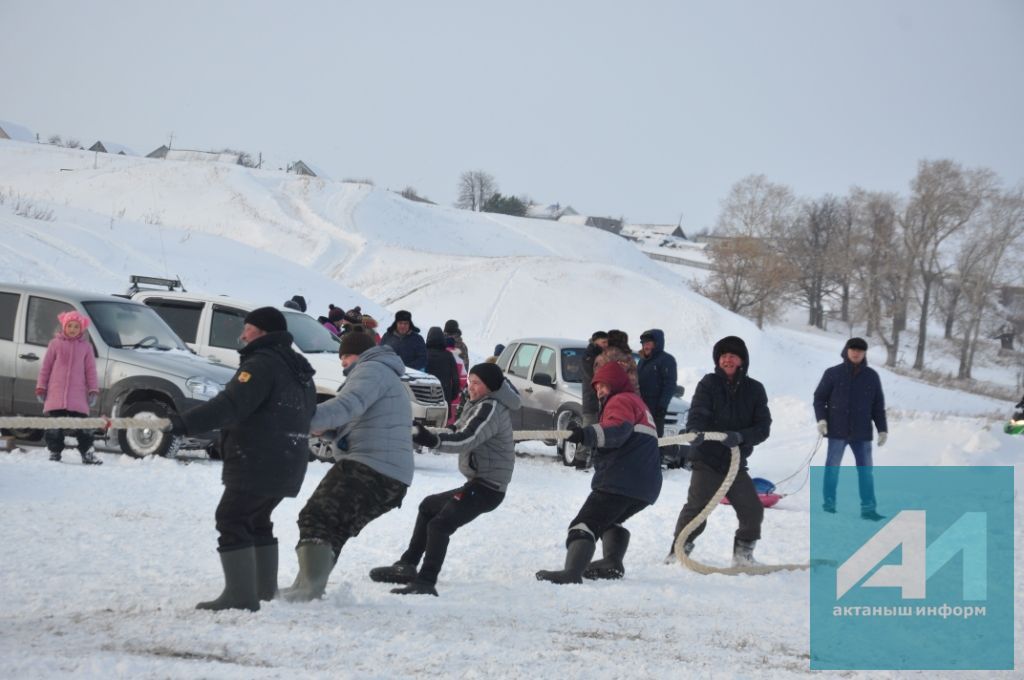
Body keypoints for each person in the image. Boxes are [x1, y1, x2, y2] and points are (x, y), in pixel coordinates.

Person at [170, 306, 317, 611]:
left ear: (261, 331)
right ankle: (262, 591)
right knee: (257, 519)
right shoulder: (298, 368)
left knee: (232, 517)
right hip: (289, 459)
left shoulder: (262, 364)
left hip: (259, 458)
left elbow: (230, 404)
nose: (242, 334)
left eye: (247, 328)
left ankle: (240, 596)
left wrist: (182, 423)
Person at [281, 331, 414, 602]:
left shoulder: (371, 370)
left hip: (372, 467)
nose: (342, 363)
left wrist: (303, 419)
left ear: (359, 354)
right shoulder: (383, 373)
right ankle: (306, 586)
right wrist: (326, 431)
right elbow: (353, 422)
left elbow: (347, 405)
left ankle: (308, 589)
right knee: (334, 527)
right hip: (392, 477)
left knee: (316, 515)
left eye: (345, 356)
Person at [369, 363, 521, 596]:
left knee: (440, 525)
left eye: (477, 383)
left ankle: (425, 582)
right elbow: (454, 430)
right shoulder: (478, 404)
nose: (471, 386)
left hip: (488, 488)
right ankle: (407, 565)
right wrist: (424, 433)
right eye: (470, 381)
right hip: (478, 484)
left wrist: (431, 441)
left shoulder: (491, 408)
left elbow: (465, 439)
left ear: (490, 386)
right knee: (429, 506)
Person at [536, 360, 662, 584]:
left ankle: (571, 573)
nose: (600, 390)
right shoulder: (638, 403)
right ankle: (612, 563)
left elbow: (617, 430)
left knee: (585, 524)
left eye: (604, 385)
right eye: (596, 387)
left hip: (620, 480)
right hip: (646, 486)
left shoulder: (620, 400)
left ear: (616, 383)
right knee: (609, 520)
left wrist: (586, 434)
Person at [670, 336, 771, 566]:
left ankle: (743, 553)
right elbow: (698, 411)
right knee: (697, 508)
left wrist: (741, 436)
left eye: (732, 355)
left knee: (752, 510)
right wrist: (695, 429)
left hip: (735, 462)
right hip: (707, 458)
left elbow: (763, 428)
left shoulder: (755, 390)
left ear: (742, 360)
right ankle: (678, 549)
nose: (727, 359)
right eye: (723, 355)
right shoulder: (709, 383)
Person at [813, 337, 888, 521]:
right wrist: (821, 420)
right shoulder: (832, 373)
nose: (856, 353)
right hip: (837, 431)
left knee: (866, 472)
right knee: (832, 469)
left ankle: (868, 509)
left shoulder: (871, 376)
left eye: (860, 351)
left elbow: (878, 405)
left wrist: (882, 429)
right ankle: (829, 505)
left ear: (864, 354)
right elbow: (819, 398)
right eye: (853, 349)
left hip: (862, 433)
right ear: (846, 350)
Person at [36, 310, 102, 465]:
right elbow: (46, 368)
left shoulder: (86, 347)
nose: (72, 329)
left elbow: (90, 370)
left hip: (77, 395)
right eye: (70, 326)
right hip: (56, 393)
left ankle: (87, 453)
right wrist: (41, 387)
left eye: (76, 327)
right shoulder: (55, 344)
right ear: (64, 326)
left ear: (82, 329)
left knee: (84, 427)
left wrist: (93, 390)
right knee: (54, 426)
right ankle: (54, 451)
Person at [637, 329, 678, 462]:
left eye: (649, 343)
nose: (646, 346)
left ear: (657, 343)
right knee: (639, 435)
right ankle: (639, 461)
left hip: (656, 408)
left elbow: (670, 385)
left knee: (654, 438)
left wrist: (662, 405)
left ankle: (655, 463)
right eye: (644, 343)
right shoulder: (642, 361)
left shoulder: (667, 360)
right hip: (640, 406)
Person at [573, 331, 608, 469]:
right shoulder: (588, 356)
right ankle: (580, 460)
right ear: (595, 342)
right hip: (591, 401)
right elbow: (593, 377)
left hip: (603, 401)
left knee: (600, 432)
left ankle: (594, 459)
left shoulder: (604, 356)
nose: (606, 345)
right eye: (603, 342)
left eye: (607, 342)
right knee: (588, 430)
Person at [593, 329, 639, 393]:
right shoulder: (629, 358)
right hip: (630, 396)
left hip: (610, 396)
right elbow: (634, 381)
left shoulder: (603, 357)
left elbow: (598, 380)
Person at [424, 327, 460, 408]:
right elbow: (456, 380)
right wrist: (451, 397)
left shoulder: (423, 354)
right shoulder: (448, 356)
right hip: (444, 400)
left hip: (424, 398)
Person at [446, 337, 468, 425]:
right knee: (451, 419)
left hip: (442, 394)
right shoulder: (460, 361)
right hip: (455, 396)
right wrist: (459, 389)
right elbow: (463, 378)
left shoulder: (442, 357)